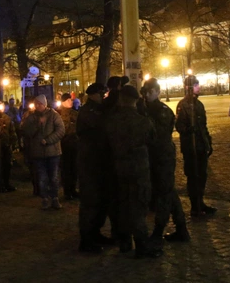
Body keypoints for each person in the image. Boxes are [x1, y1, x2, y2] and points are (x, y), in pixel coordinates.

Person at [105, 85, 161, 259]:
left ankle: (124, 242)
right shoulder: (142, 121)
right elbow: (153, 140)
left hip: (118, 168)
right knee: (138, 207)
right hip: (138, 169)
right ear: (136, 101)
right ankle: (142, 245)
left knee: (123, 205)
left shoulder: (111, 120)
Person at [143, 78, 189, 242]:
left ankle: (158, 230)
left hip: (162, 155)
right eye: (146, 92)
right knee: (168, 191)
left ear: (157, 92)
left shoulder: (162, 111)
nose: (148, 95)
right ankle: (181, 228)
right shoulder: (146, 109)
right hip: (155, 156)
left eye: (151, 92)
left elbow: (158, 136)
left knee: (164, 193)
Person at [76, 83, 115, 253]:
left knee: (101, 201)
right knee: (90, 202)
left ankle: (95, 232)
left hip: (99, 161)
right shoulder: (88, 112)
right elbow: (100, 128)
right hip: (89, 162)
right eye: (102, 95)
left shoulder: (97, 110)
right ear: (95, 95)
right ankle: (86, 240)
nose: (104, 97)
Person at [175, 75, 216, 217]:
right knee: (193, 176)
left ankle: (201, 201)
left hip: (200, 146)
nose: (199, 87)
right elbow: (179, 125)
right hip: (190, 148)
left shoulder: (199, 104)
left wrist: (208, 142)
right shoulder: (183, 105)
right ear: (189, 87)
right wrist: (188, 130)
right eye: (196, 85)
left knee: (202, 175)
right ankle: (195, 205)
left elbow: (203, 127)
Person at [21, 94, 65, 210]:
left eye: (39, 104)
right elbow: (26, 131)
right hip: (38, 153)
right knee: (42, 177)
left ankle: (55, 198)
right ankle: (45, 198)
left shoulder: (54, 115)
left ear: (44, 104)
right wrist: (37, 125)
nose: (37, 106)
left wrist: (48, 140)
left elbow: (60, 131)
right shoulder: (31, 118)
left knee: (54, 176)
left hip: (53, 152)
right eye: (36, 104)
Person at [58, 92, 79, 200]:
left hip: (74, 144)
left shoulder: (75, 113)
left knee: (74, 168)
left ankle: (73, 189)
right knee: (66, 169)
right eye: (68, 100)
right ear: (63, 102)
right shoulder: (59, 114)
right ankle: (67, 191)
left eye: (71, 100)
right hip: (64, 144)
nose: (71, 101)